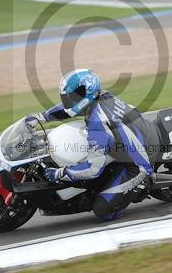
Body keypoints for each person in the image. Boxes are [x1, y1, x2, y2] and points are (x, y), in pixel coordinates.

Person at [24, 69, 158, 221]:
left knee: (102, 210)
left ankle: (142, 185)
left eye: (72, 97)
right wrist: (42, 116)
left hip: (139, 165)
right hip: (143, 132)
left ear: (86, 95)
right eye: (67, 97)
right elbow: (68, 110)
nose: (68, 100)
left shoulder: (97, 123)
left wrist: (60, 173)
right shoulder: (101, 96)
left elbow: (93, 170)